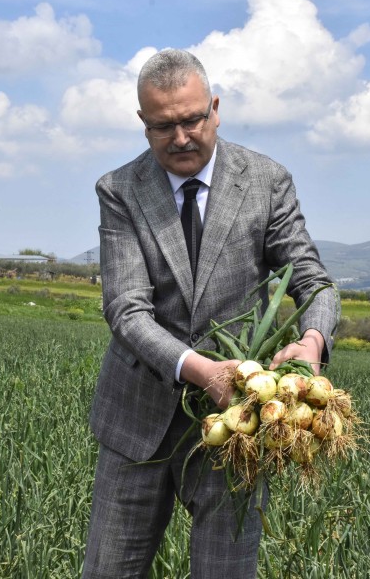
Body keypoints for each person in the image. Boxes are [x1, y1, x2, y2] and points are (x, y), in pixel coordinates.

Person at [82, 49, 339, 578]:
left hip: (241, 423)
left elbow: (314, 282)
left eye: (193, 119)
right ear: (142, 123)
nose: (181, 138)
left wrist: (311, 344)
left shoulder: (266, 181)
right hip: (137, 420)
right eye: (163, 126)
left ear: (215, 108)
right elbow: (127, 311)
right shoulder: (120, 190)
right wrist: (203, 371)